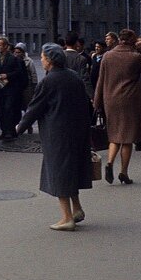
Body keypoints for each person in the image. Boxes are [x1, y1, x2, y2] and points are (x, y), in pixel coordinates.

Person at [16, 43, 93, 231]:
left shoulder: (49, 81)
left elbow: (35, 107)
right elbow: (85, 104)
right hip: (77, 131)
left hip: (57, 133)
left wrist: (19, 127)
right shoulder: (73, 76)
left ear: (49, 60)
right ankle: (77, 209)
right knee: (71, 170)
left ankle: (67, 218)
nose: (41, 60)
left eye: (42, 57)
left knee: (60, 173)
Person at [93, 29, 141, 185]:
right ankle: (123, 172)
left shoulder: (107, 56)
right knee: (127, 138)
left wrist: (97, 103)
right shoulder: (135, 57)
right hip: (130, 101)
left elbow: (101, 80)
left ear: (119, 39)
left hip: (111, 101)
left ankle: (109, 163)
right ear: (132, 41)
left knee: (115, 135)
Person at [0, 37, 27, 140]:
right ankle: (4, 131)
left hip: (11, 89)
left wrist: (8, 75)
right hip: (0, 89)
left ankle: (11, 130)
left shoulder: (14, 59)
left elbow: (19, 72)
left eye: (0, 45)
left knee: (9, 109)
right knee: (1, 110)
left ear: (6, 46)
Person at [13, 42, 38, 133]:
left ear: (23, 52)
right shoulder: (14, 60)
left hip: (27, 87)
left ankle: (29, 126)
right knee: (17, 107)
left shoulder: (29, 61)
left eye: (19, 52)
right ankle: (19, 126)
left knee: (27, 107)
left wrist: (34, 86)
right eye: (15, 52)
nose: (17, 54)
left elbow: (33, 74)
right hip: (17, 87)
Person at [63, 32, 93, 99]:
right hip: (76, 93)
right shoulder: (81, 59)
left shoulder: (59, 56)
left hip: (61, 92)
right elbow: (85, 78)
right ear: (77, 43)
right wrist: (92, 96)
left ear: (65, 42)